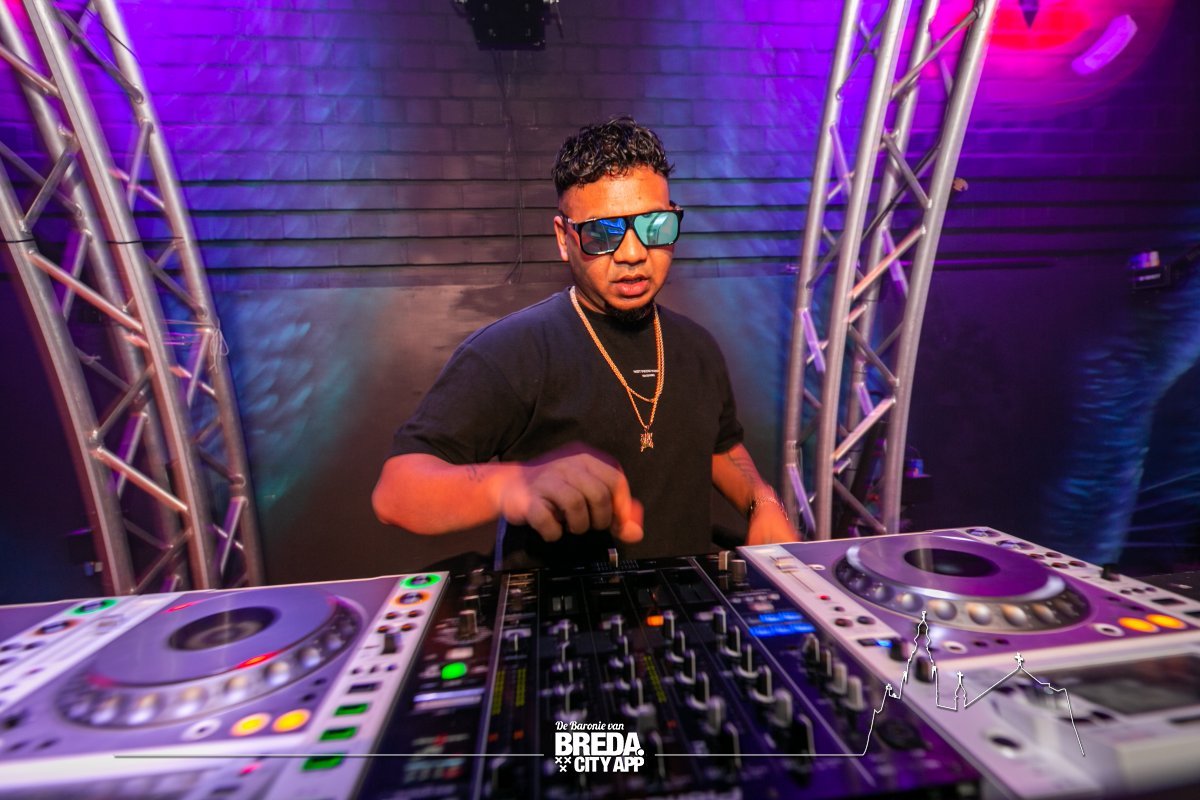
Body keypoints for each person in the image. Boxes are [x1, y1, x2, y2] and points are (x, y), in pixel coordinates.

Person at [372, 117, 795, 567]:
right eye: (603, 233)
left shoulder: (697, 347)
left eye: (655, 226)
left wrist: (762, 501)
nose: (633, 253)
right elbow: (397, 491)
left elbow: (718, 447)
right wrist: (512, 484)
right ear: (564, 238)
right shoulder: (512, 350)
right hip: (560, 607)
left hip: (684, 598)